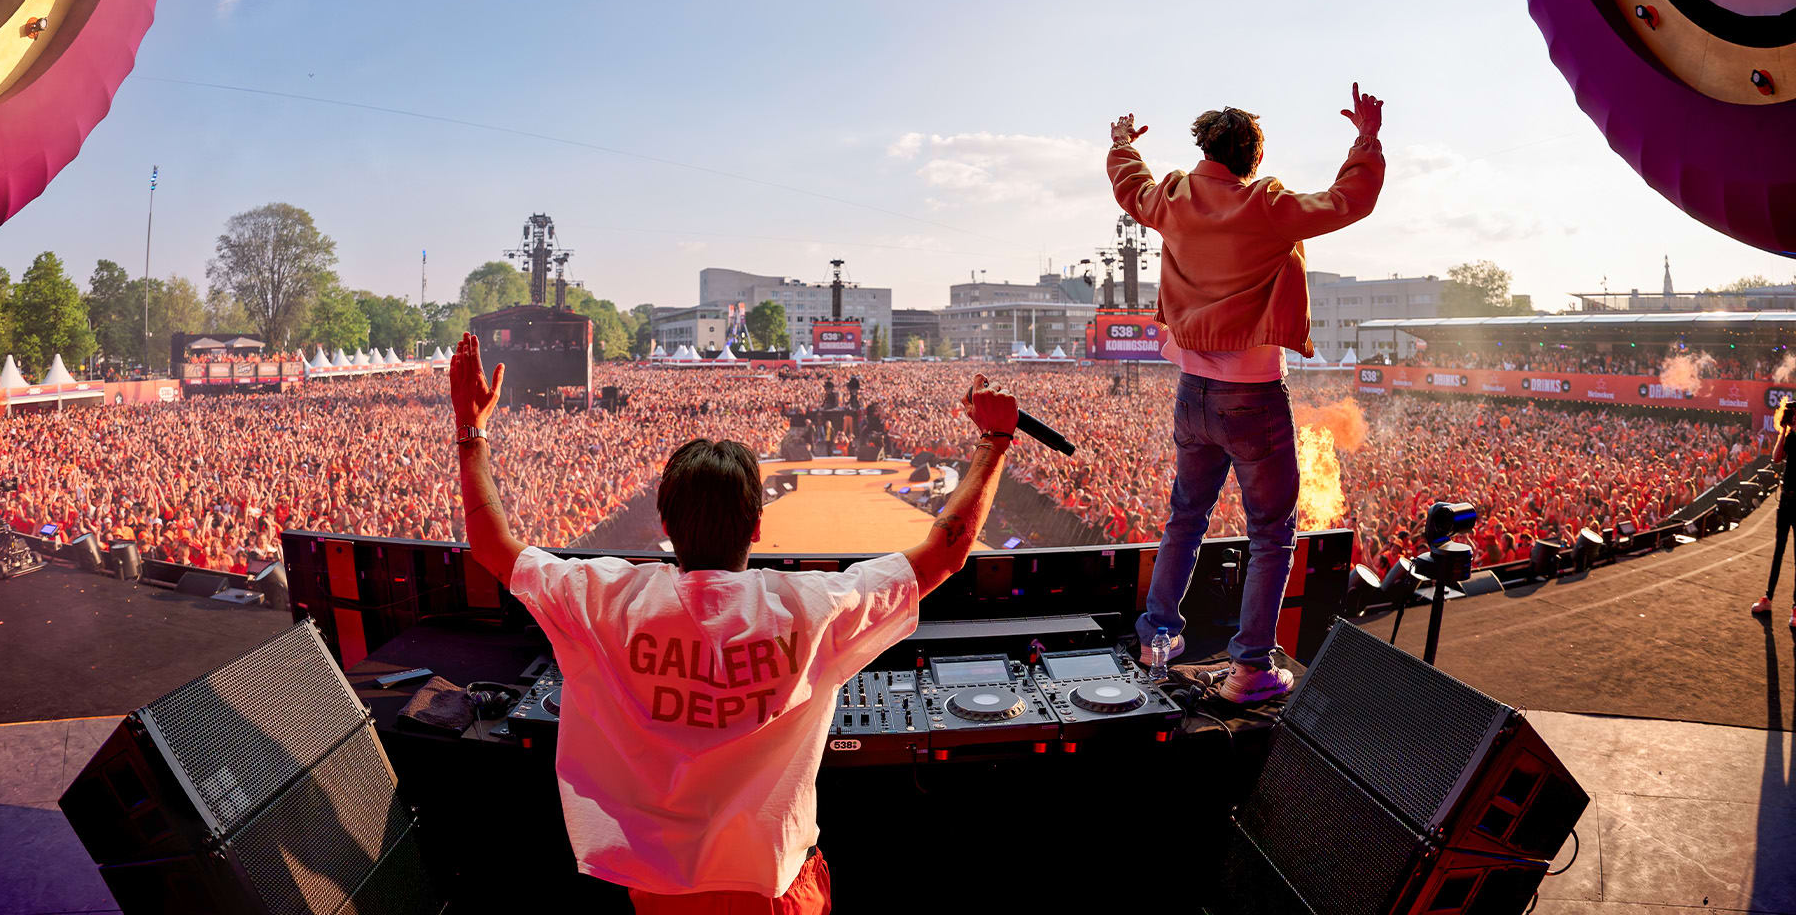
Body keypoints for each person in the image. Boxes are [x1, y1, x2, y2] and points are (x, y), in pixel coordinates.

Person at [447, 331, 1018, 912]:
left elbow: (493, 546)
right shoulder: (813, 606)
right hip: (773, 889)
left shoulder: (601, 597)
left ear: (665, 524)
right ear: (756, 528)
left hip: (660, 891)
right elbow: (946, 551)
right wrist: (993, 442)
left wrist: (472, 433)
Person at [1107, 84, 1386, 702]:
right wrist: (1365, 137)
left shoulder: (1172, 199)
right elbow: (1350, 199)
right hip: (1254, 398)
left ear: (1205, 147)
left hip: (1192, 393)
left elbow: (1130, 187)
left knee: (1186, 517)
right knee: (1271, 533)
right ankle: (1251, 668)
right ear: (1253, 158)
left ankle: (1157, 635)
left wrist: (1123, 143)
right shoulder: (1268, 205)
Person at [1754, 399, 1796, 627]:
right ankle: (1768, 598)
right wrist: (1783, 429)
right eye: (1793, 414)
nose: (1795, 417)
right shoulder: (1789, 435)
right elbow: (1776, 458)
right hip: (1786, 503)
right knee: (1778, 551)